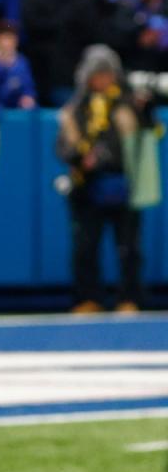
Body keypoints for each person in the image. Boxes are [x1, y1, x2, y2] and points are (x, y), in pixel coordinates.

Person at [56, 45, 143, 314]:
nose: (103, 80)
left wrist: (105, 158)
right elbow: (62, 147)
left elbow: (137, 143)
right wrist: (80, 157)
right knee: (85, 246)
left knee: (128, 247)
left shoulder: (127, 104)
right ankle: (87, 297)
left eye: (107, 74)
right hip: (87, 186)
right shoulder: (75, 109)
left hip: (122, 184)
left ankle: (129, 297)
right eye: (98, 74)